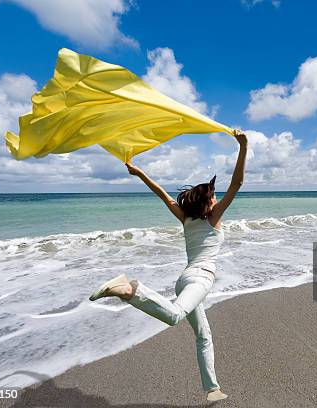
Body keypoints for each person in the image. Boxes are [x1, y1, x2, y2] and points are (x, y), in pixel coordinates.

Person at [89, 130, 248, 402]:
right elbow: (238, 182)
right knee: (174, 316)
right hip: (200, 280)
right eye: (214, 195)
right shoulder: (213, 218)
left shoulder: (186, 219)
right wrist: (243, 146)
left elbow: (163, 195)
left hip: (185, 279)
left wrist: (140, 173)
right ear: (209, 201)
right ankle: (129, 289)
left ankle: (212, 389)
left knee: (203, 335)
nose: (217, 197)